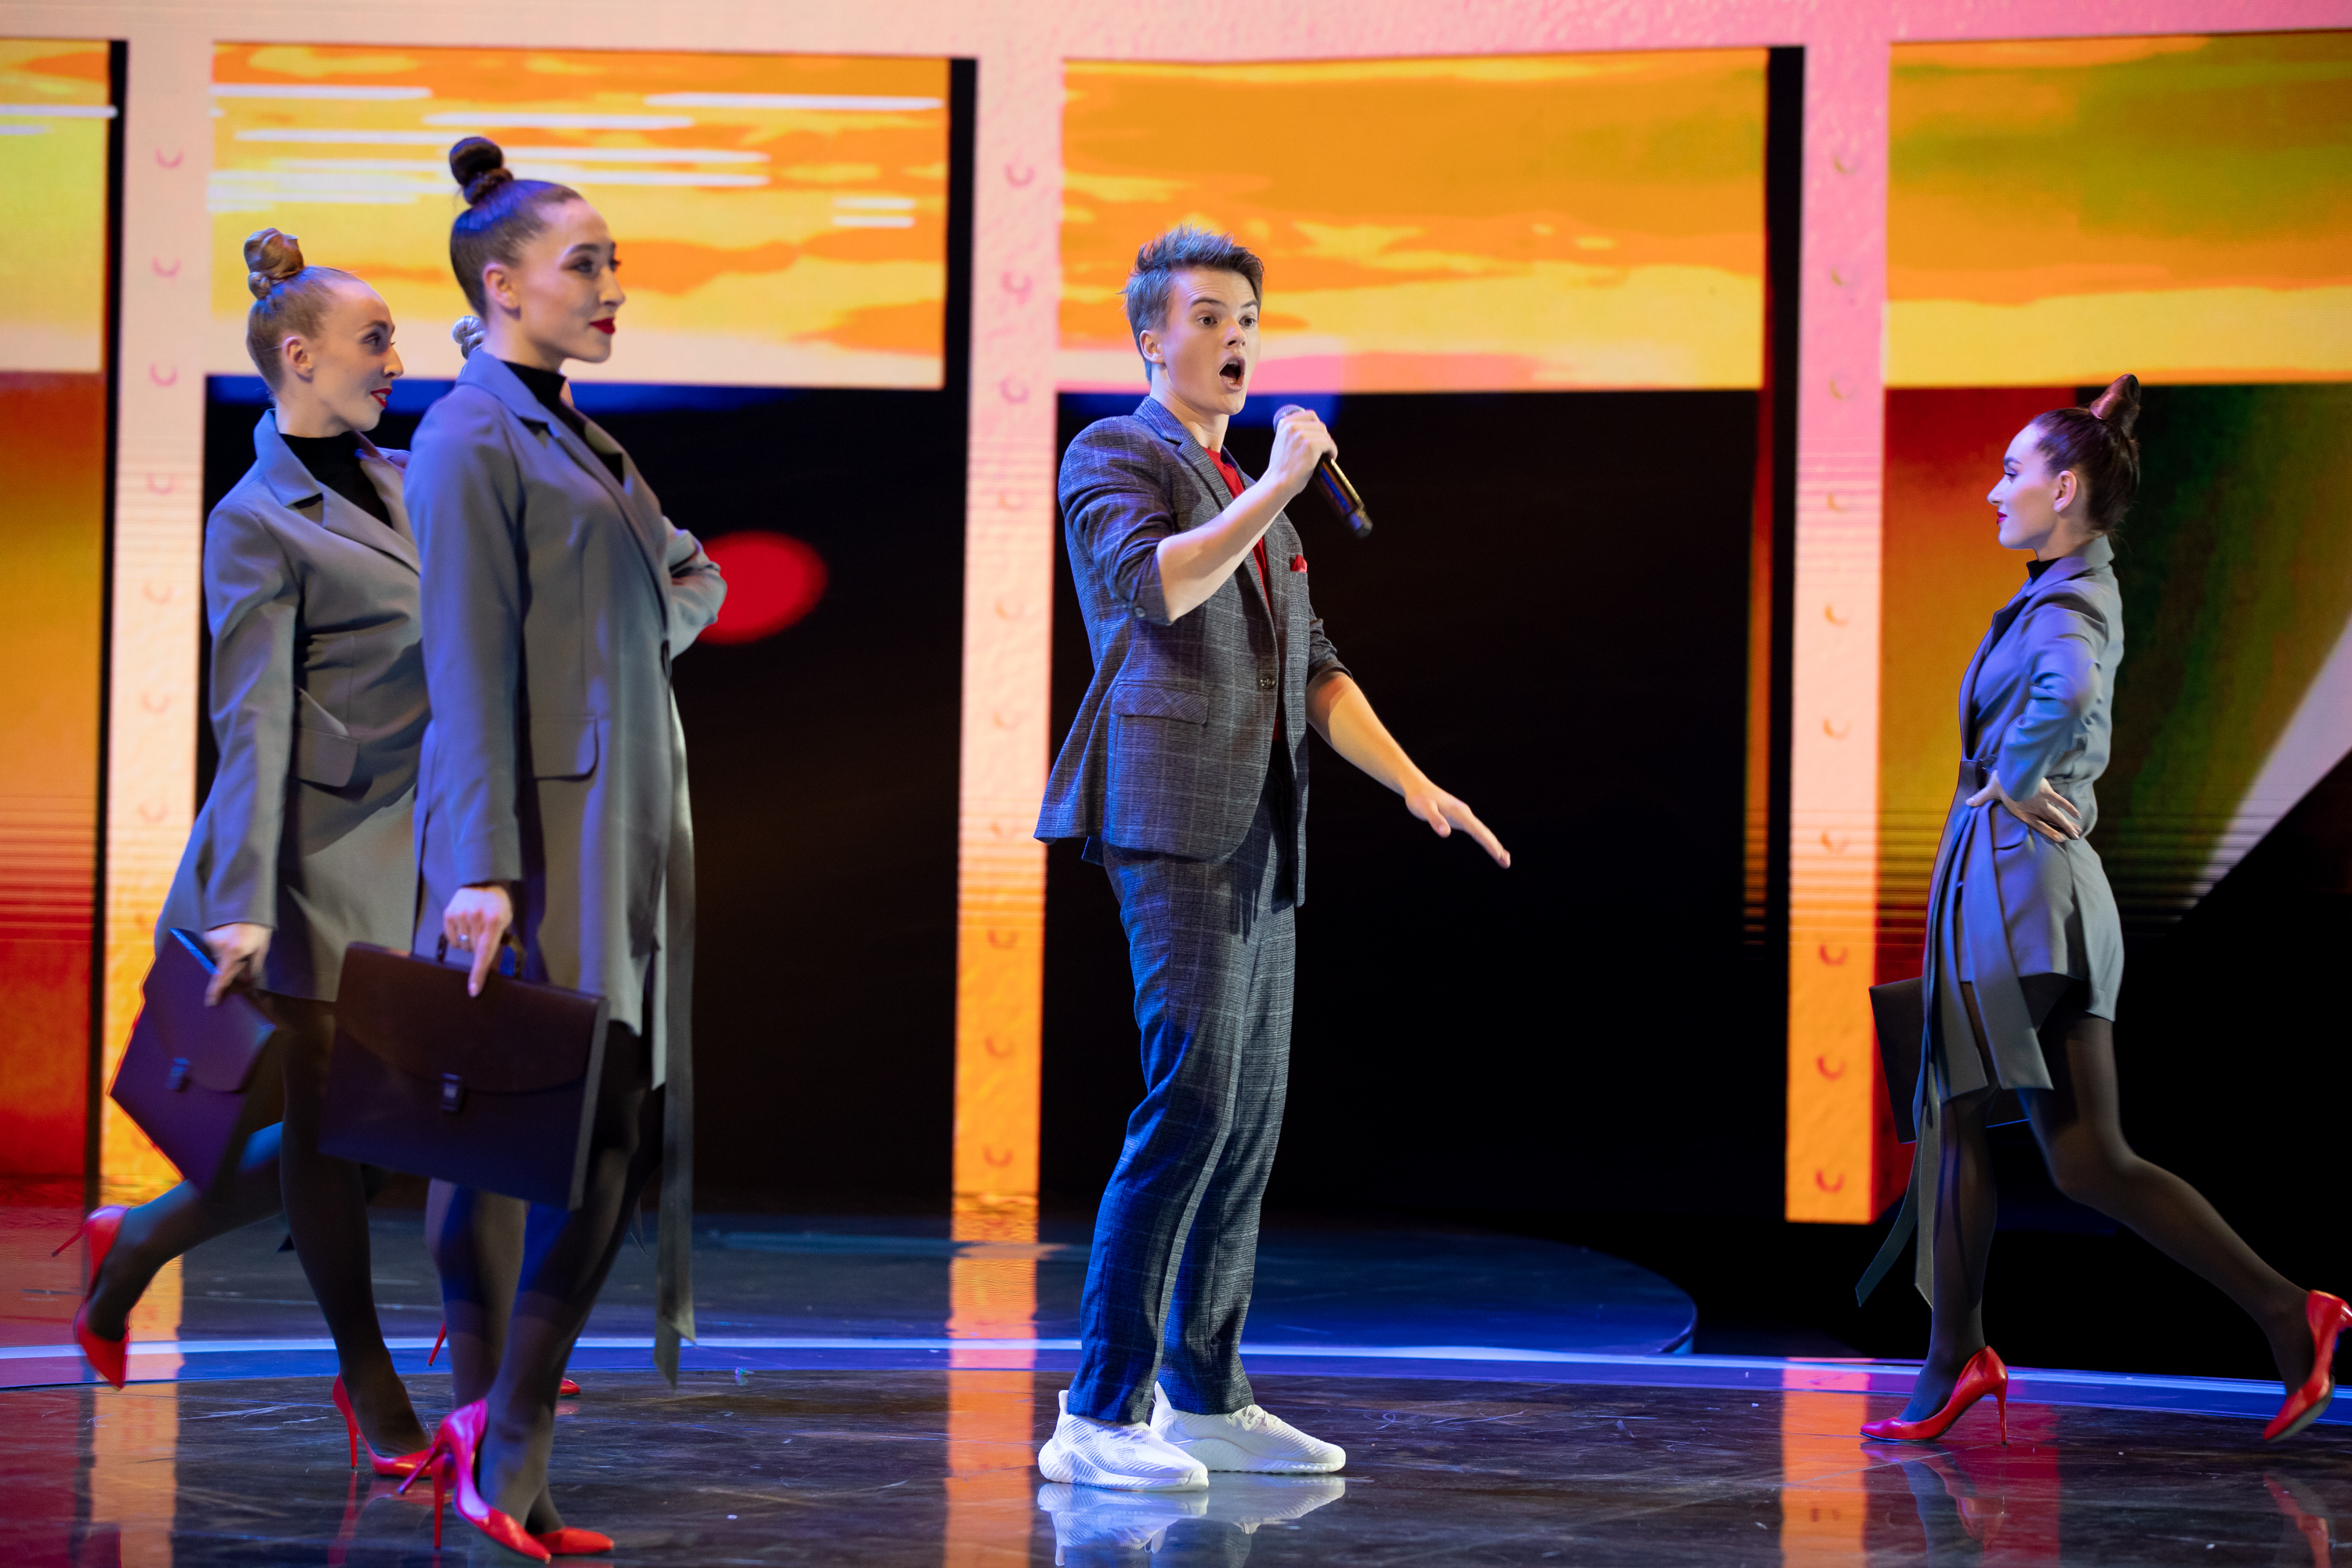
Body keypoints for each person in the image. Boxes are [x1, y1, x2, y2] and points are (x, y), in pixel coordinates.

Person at [1033, 227, 1510, 1491]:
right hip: (1170, 814)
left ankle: (1205, 1394)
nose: (1234, 337)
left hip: (1264, 822)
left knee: (1246, 1117)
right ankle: (1095, 1412)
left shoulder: (1253, 490)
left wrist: (1414, 782)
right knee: (1189, 1101)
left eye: (1246, 317)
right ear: (1151, 338)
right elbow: (1154, 587)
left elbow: (1315, 666)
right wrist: (1281, 486)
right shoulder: (1116, 452)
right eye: (1207, 316)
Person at [1857, 375, 2347, 1445]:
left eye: (2013, 472)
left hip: (2018, 896)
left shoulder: (2069, 606)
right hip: (2056, 901)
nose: (1996, 491)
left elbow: (2071, 690)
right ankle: (2289, 1311)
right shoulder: (2075, 585)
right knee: (2088, 1159)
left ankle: (1955, 1355)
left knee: (1952, 1114)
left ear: (2065, 488)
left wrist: (2014, 773)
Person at [56, 230, 434, 1472]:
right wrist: (241, 900)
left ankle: (141, 1237)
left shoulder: (405, 478)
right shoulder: (257, 518)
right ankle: (370, 1382)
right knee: (332, 1130)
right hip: (308, 861)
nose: (396, 359)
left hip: (411, 849)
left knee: (375, 1139)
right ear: (300, 356)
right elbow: (253, 717)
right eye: (375, 339)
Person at [401, 136, 724, 1559]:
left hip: (625, 823)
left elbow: (691, 574)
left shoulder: (585, 438)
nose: (610, 289)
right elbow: (463, 660)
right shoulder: (469, 437)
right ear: (501, 284)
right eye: (584, 264)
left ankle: (502, 1452)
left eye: (613, 265)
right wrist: (480, 866)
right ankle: (502, 1438)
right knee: (538, 1129)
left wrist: (633, 639)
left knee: (604, 1128)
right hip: (535, 837)